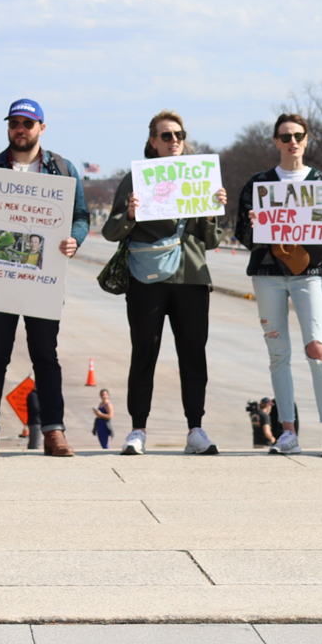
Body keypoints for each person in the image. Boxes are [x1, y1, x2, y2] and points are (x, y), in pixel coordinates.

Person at [0, 98, 90, 457]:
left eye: (28, 123)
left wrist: (76, 239)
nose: (21, 129)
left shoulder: (62, 168)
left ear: (42, 127)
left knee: (46, 355)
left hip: (42, 278)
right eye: (15, 123)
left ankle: (54, 432)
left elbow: (81, 216)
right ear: (8, 127)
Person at [102, 110, 229, 456]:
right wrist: (129, 214)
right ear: (152, 142)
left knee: (193, 354)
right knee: (145, 350)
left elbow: (212, 240)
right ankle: (138, 429)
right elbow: (110, 231)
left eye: (179, 134)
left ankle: (196, 428)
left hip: (191, 275)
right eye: (166, 135)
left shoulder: (199, 178)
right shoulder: (136, 179)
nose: (174, 141)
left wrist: (212, 213)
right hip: (148, 278)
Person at [233, 112, 322, 458]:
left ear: (307, 140)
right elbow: (244, 236)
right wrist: (253, 225)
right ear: (276, 142)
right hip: (267, 275)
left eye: (298, 135)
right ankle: (288, 432)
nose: (292, 141)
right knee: (278, 354)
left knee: (317, 348)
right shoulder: (259, 184)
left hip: (309, 274)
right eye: (285, 136)